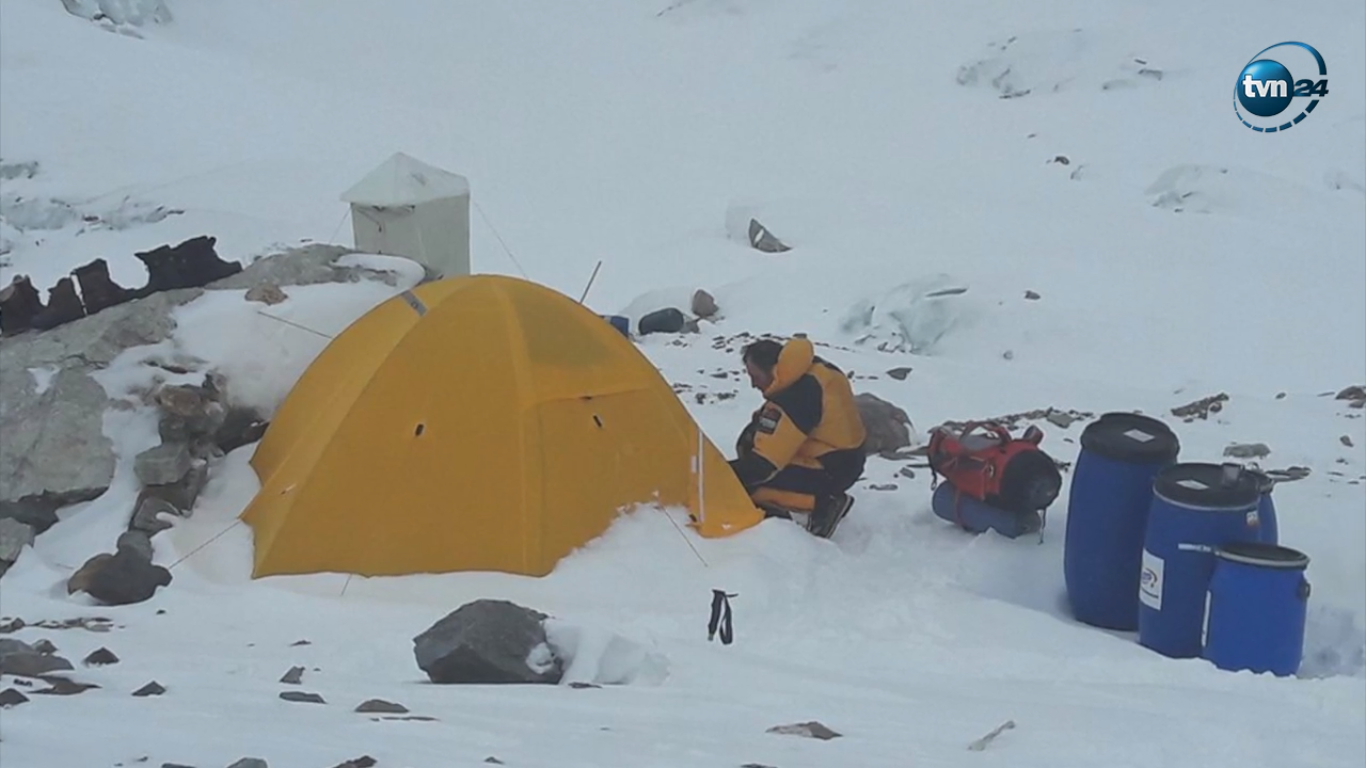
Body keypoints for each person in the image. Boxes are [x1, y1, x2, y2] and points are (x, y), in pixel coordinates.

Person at [728, 336, 867, 538]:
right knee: (749, 445)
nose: (753, 384)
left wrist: (722, 475)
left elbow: (765, 465)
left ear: (772, 369)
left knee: (749, 487)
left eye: (755, 376)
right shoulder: (809, 369)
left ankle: (824, 503)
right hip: (845, 454)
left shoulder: (797, 397)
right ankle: (821, 494)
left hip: (833, 468)